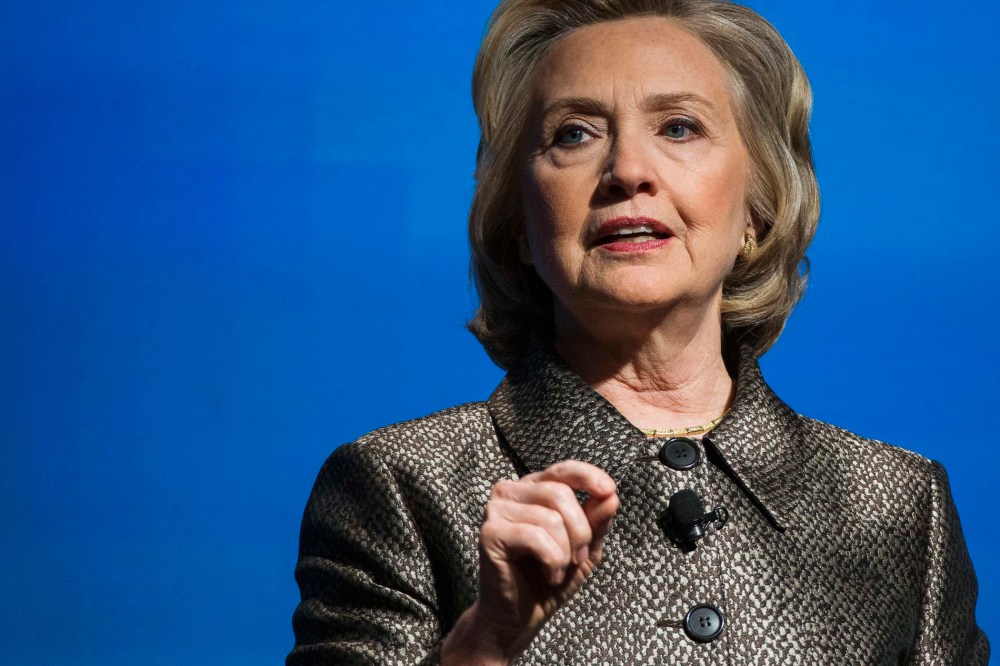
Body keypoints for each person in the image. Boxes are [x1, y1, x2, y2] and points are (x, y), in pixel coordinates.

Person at [287, 0, 989, 663]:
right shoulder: (402, 488)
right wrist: (487, 645)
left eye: (679, 127)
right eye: (574, 134)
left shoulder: (897, 506)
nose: (627, 171)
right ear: (519, 224)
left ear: (758, 207)